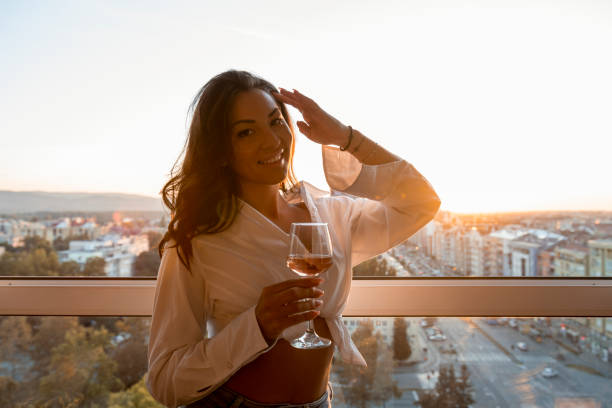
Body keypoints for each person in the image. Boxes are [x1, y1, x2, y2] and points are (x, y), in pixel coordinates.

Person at [146, 70, 441, 408]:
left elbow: (421, 202)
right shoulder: (197, 241)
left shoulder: (330, 216)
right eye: (246, 132)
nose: (272, 141)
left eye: (275, 122)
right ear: (221, 150)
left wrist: (344, 136)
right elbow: (165, 381)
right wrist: (256, 326)